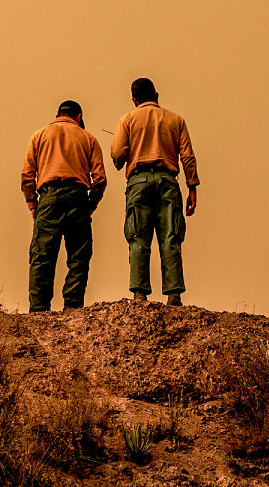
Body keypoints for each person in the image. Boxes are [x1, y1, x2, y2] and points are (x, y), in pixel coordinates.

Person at [112, 77, 199, 306]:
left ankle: (140, 294)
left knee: (139, 238)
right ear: (157, 95)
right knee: (171, 237)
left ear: (134, 99)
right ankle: (173, 294)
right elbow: (187, 156)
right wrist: (192, 186)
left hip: (138, 182)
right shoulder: (176, 120)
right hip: (168, 182)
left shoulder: (127, 120)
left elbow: (118, 156)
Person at [20, 100, 107, 313]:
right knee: (78, 255)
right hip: (78, 198)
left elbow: (27, 175)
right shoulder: (89, 139)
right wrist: (91, 204)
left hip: (48, 198)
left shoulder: (39, 135)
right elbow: (100, 179)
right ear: (79, 117)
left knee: (42, 255)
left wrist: (33, 203)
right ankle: (73, 306)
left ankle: (39, 309)